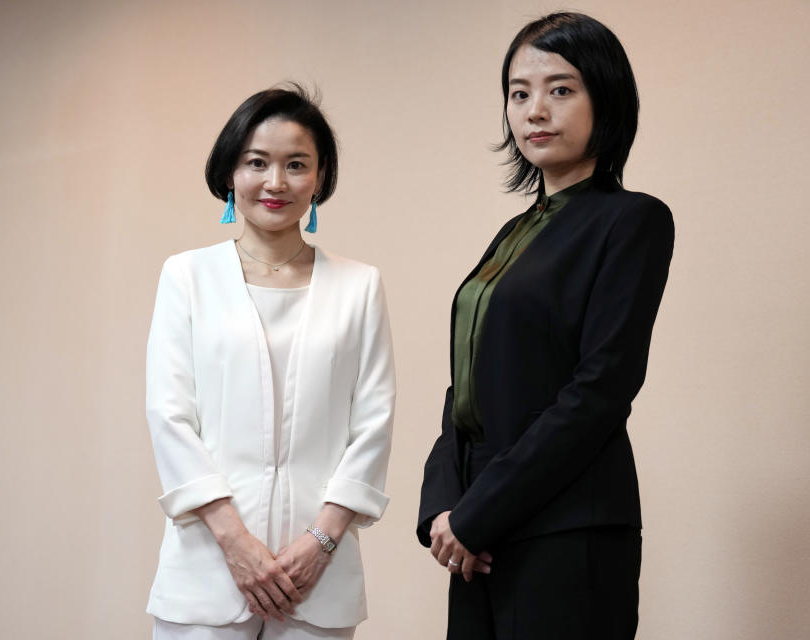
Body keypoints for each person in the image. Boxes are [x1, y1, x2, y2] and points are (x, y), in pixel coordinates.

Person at [417, 12, 674, 639]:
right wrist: (442, 512)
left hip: (565, 529)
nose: (535, 110)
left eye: (561, 89)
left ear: (605, 98)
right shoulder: (515, 232)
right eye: (519, 92)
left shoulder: (633, 220)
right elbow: (465, 389)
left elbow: (602, 388)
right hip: (479, 535)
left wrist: (479, 512)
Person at [145, 85, 395, 640]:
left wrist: (321, 540)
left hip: (318, 575)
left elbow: (374, 423)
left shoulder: (359, 286)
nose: (276, 182)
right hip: (207, 567)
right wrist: (234, 542)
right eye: (257, 162)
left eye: (296, 164)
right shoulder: (187, 277)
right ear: (230, 172)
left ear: (320, 178)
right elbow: (170, 416)